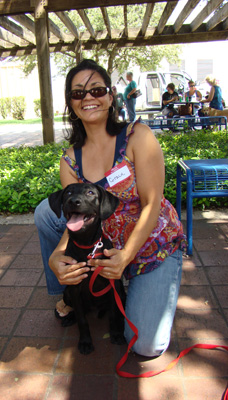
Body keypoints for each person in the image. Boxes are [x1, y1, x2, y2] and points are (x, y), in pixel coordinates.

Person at [34, 59, 186, 357]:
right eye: (78, 93)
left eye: (96, 90)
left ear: (111, 95)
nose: (88, 98)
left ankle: (151, 282)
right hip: (103, 245)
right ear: (71, 103)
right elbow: (74, 218)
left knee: (146, 345)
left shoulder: (137, 136)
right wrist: (56, 256)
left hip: (151, 245)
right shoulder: (69, 160)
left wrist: (126, 256)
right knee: (45, 212)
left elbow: (152, 202)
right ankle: (68, 289)